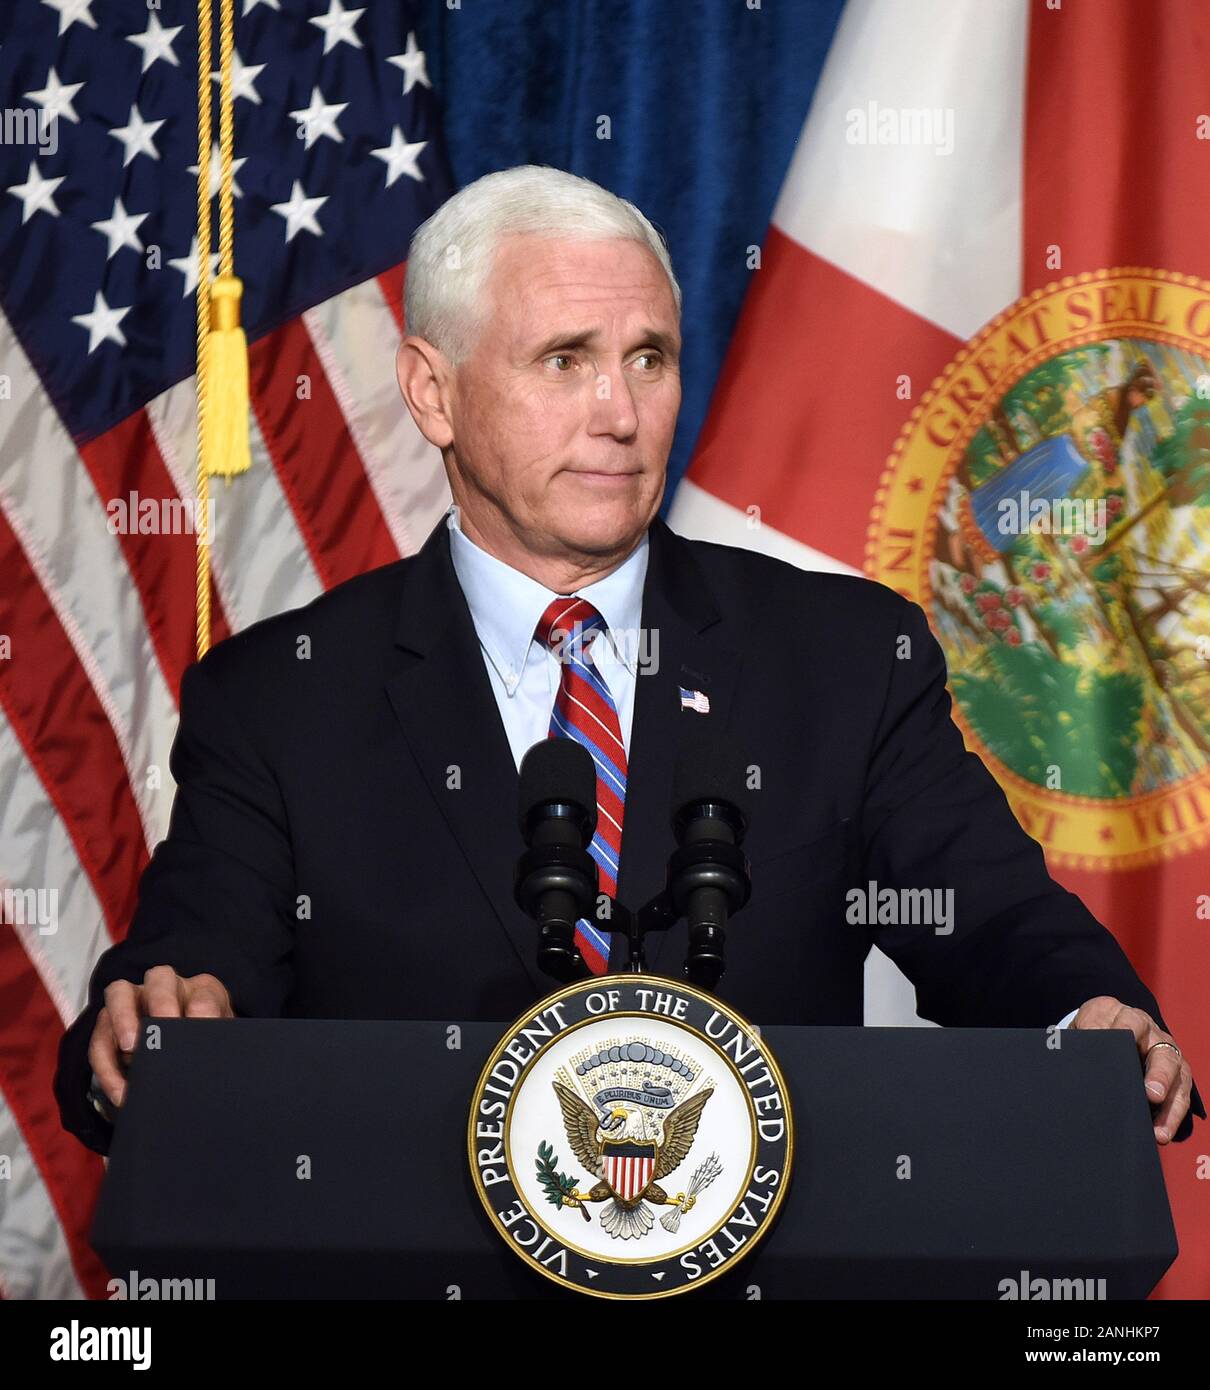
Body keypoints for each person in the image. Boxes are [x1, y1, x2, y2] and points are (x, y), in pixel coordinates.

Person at [56, 165, 1201, 1154]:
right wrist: (154, 1014)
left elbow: (990, 923)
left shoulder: (845, 659)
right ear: (432, 393)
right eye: (563, 359)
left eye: (647, 356)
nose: (619, 411)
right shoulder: (282, 696)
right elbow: (191, 963)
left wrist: (1091, 1014)